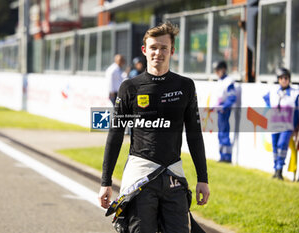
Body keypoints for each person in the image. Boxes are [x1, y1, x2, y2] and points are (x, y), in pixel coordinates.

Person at [98, 22, 209, 233]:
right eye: (153, 47)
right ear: (144, 50)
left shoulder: (185, 86)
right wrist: (106, 182)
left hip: (173, 176)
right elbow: (115, 135)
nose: (158, 52)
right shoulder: (129, 87)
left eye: (164, 48)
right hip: (141, 177)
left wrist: (202, 178)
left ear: (172, 51)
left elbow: (194, 135)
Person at [263, 68, 299, 180]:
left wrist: (296, 125)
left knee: (282, 145)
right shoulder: (273, 91)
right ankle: (275, 170)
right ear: (278, 79)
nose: (284, 80)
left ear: (289, 79)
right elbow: (267, 102)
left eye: (286, 78)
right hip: (275, 124)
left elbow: (297, 110)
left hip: (287, 125)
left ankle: (279, 169)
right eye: (281, 78)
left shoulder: (295, 92)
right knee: (275, 147)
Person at [212, 61, 237, 163]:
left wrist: (223, 106)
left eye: (218, 70)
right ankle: (222, 155)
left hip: (225, 110)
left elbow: (232, 97)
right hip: (220, 110)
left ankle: (227, 157)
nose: (216, 73)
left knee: (224, 133)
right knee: (221, 133)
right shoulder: (220, 81)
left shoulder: (228, 81)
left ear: (223, 69)